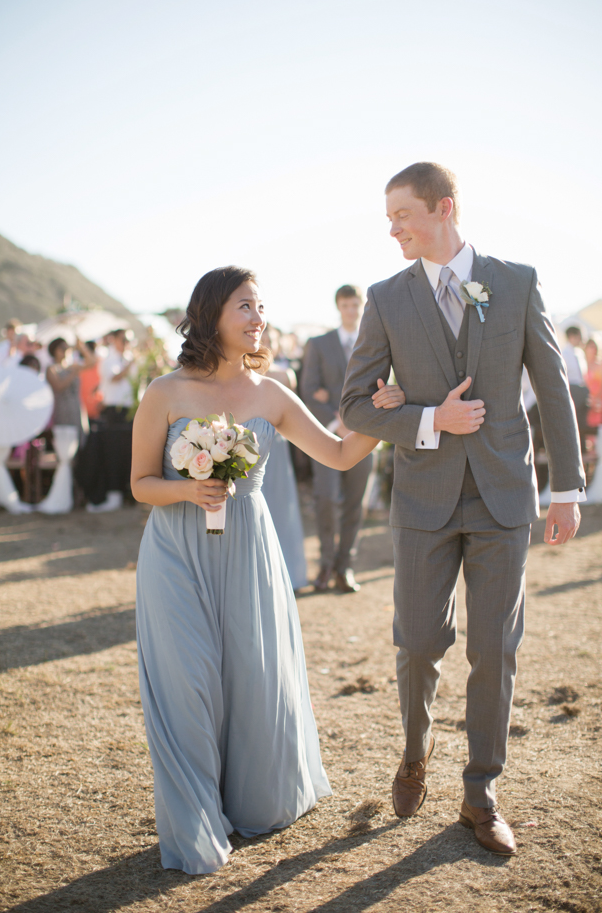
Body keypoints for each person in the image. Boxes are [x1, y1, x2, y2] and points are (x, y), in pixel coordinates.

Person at [340, 162, 585, 857]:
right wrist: (428, 419)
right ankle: (414, 753)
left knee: (493, 649)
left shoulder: (516, 282)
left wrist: (565, 489)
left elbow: (553, 390)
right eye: (388, 218)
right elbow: (356, 404)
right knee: (418, 641)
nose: (392, 229)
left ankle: (481, 793)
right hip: (423, 499)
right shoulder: (387, 299)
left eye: (402, 215)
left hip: (505, 497)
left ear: (444, 207)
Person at [130, 266, 402, 875]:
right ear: (210, 316)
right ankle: (195, 821)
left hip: (248, 551)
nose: (258, 318)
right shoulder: (164, 392)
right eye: (244, 306)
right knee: (189, 683)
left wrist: (379, 418)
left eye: (260, 306)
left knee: (251, 679)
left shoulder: (273, 391)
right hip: (175, 553)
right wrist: (187, 492)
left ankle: (247, 800)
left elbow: (335, 454)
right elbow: (140, 483)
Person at [301, 285, 373, 593]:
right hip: (326, 436)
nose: (351, 310)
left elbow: (382, 387)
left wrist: (359, 424)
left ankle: (346, 568)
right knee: (327, 500)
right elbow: (308, 390)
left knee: (355, 505)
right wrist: (336, 421)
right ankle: (326, 564)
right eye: (346, 305)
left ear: (362, 306)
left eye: (355, 304)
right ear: (338, 307)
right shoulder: (318, 344)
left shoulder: (374, 341)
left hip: (366, 435)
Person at [260, 324, 308, 591]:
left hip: (275, 449)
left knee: (281, 509)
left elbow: (283, 380)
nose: (265, 343)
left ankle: (288, 572)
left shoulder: (284, 374)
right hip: (247, 450)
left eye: (270, 339)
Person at [84, 329, 135, 512]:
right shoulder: (108, 361)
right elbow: (114, 377)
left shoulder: (130, 360)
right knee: (113, 453)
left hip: (130, 411)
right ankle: (113, 492)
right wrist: (130, 365)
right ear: (115, 341)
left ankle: (128, 492)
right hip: (113, 411)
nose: (127, 343)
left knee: (129, 453)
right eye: (124, 339)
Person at [45, 337, 96, 438]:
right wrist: (73, 374)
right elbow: (59, 386)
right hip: (61, 410)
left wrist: (81, 346)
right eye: (62, 348)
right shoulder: (51, 368)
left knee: (80, 438)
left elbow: (91, 362)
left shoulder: (72, 366)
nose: (65, 351)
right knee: (65, 439)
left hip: (76, 407)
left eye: (67, 348)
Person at [562, 326, 589, 447]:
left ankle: (582, 446)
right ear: (572, 336)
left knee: (582, 421)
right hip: (572, 389)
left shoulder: (579, 353)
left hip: (581, 389)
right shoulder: (564, 353)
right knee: (573, 420)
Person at [584, 338, 602, 430]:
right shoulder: (582, 363)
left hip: (598, 399)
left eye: (594, 347)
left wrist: (597, 398)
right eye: (590, 346)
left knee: (596, 426)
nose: (593, 349)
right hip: (585, 399)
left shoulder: (600, 365)